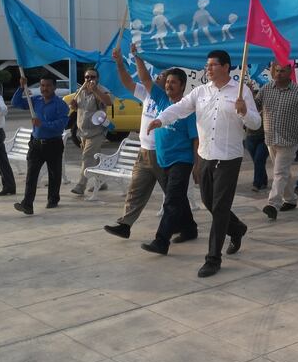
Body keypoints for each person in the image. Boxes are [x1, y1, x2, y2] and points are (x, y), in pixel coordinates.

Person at [147, 49, 261, 278]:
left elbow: (256, 124)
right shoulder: (200, 92)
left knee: (219, 208)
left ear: (226, 67)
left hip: (229, 157)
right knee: (209, 202)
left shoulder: (241, 92)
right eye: (206, 65)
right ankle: (237, 228)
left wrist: (245, 112)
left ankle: (213, 259)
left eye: (212, 65)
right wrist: (161, 119)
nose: (207, 69)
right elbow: (179, 108)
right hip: (206, 155)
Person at [132, 59, 200, 255]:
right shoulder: (161, 99)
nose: (168, 85)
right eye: (167, 81)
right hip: (162, 159)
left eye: (173, 82)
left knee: (171, 200)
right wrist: (137, 58)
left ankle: (161, 241)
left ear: (182, 86)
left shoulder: (187, 110)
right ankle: (189, 229)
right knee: (178, 198)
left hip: (182, 160)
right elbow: (145, 79)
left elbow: (195, 140)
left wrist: (196, 165)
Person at [103, 46, 168, 237]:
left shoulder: (170, 100)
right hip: (144, 151)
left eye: (163, 76)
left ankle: (187, 225)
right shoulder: (146, 94)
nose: (159, 77)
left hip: (162, 154)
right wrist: (119, 63)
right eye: (159, 75)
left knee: (173, 196)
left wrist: (137, 57)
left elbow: (144, 78)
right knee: (136, 190)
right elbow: (127, 82)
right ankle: (125, 225)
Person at [254, 62, 298, 220]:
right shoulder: (266, 89)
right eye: (276, 71)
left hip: (289, 140)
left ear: (290, 71)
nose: (278, 74)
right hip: (270, 138)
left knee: (279, 172)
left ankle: (272, 204)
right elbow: (255, 106)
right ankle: (290, 199)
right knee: (283, 172)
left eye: (282, 71)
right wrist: (244, 100)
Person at [11, 75, 69, 215]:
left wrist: (43, 124)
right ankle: (27, 204)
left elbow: (61, 125)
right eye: (42, 85)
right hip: (36, 144)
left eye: (48, 86)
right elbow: (16, 102)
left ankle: (53, 199)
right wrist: (21, 87)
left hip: (53, 144)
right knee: (31, 175)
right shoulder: (36, 101)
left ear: (54, 87)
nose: (45, 89)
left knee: (54, 174)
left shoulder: (60, 104)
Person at [69, 68, 112, 196]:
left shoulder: (102, 89)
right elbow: (78, 108)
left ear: (97, 78)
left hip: (97, 132)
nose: (89, 79)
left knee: (87, 156)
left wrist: (95, 90)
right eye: (87, 77)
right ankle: (101, 181)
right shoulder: (80, 91)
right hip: (83, 132)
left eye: (92, 77)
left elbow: (108, 102)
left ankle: (81, 185)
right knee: (96, 158)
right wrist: (74, 105)